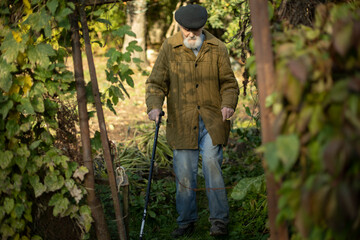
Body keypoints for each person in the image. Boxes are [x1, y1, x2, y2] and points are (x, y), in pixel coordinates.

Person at [145, 4, 239, 238]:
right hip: (182, 121)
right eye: (186, 29)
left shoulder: (218, 48)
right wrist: (154, 106)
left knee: (211, 164)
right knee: (185, 172)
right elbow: (156, 82)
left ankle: (219, 221)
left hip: (212, 120)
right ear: (180, 26)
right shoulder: (170, 47)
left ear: (203, 28)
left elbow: (229, 83)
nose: (190, 34)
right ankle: (186, 221)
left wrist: (228, 104)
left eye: (195, 31)